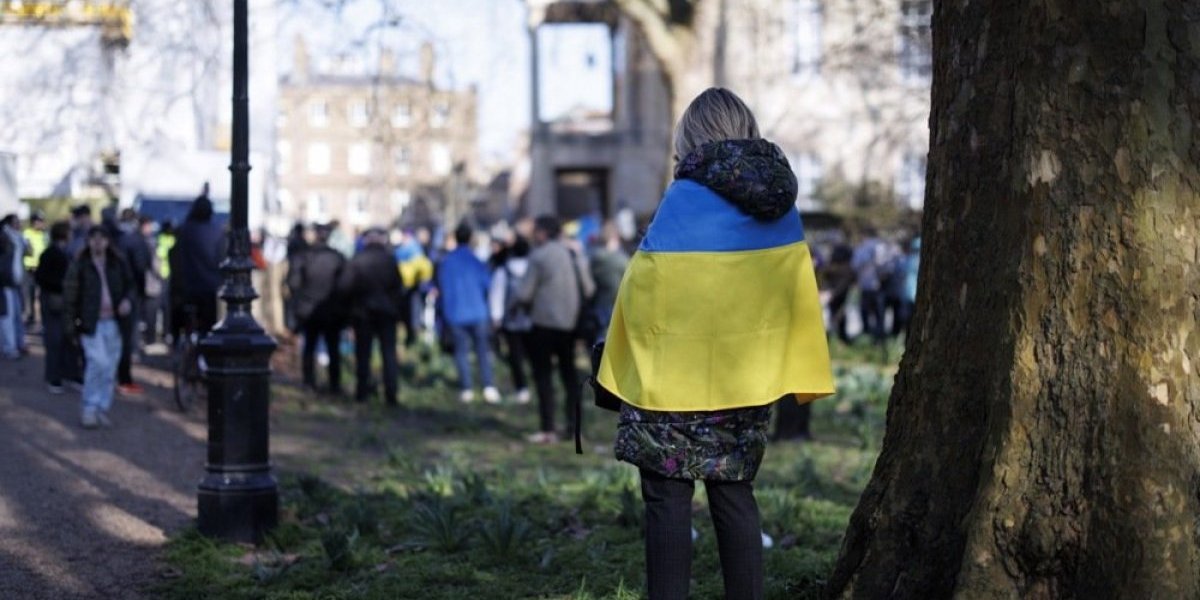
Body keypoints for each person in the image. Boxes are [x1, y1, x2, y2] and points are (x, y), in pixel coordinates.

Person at [595, 88, 835, 600]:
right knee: (734, 491)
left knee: (666, 496)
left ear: (690, 136)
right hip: (747, 375)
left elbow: (643, 291)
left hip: (669, 381)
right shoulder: (782, 204)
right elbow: (793, 290)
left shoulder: (683, 198)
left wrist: (616, 360)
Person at [517, 214, 595, 444]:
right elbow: (589, 289)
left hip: (542, 324)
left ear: (542, 232)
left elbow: (524, 294)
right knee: (569, 377)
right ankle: (573, 425)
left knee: (543, 377)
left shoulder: (539, 256)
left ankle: (547, 428)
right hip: (570, 325)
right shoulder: (574, 254)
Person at [64, 226, 134, 429]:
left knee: (109, 366)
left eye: (101, 238)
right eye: (93, 238)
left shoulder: (117, 263)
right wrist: (71, 327)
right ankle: (89, 407)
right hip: (90, 323)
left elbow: (130, 286)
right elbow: (70, 297)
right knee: (98, 363)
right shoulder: (80, 265)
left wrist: (127, 301)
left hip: (113, 322)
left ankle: (101, 407)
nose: (97, 242)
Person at [338, 228, 403, 406]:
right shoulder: (390, 260)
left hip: (363, 313)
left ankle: (362, 393)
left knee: (363, 354)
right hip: (386, 313)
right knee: (388, 354)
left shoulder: (357, 260)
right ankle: (391, 394)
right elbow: (399, 288)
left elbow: (344, 288)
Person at [436, 223, 499, 403]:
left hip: (455, 313)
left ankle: (467, 388)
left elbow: (442, 288)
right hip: (478, 312)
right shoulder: (477, 261)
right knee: (482, 351)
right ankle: (489, 386)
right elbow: (488, 286)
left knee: (461, 352)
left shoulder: (447, 262)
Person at [287, 223, 347, 395]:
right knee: (333, 348)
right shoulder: (337, 258)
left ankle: (308, 382)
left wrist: (302, 298)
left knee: (310, 347)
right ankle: (334, 384)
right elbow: (345, 285)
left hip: (309, 309)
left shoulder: (305, 256)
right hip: (331, 310)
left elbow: (293, 283)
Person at [171, 190, 224, 339]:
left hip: (188, 287)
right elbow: (220, 258)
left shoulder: (186, 230)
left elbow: (176, 256)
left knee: (188, 325)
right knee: (207, 328)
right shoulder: (216, 231)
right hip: (209, 287)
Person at [488, 235, 533, 404]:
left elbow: (496, 295)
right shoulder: (533, 268)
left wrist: (496, 317)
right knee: (533, 354)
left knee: (515, 356)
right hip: (531, 320)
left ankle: (522, 388)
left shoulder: (503, 271)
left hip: (511, 320)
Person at [35, 221, 72, 393]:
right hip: (53, 301)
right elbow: (42, 277)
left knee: (61, 339)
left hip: (55, 300)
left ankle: (60, 375)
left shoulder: (56, 253)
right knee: (55, 339)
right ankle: (54, 378)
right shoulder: (54, 254)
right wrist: (60, 286)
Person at [587, 222, 629, 340]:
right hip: (617, 305)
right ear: (615, 238)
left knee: (601, 336)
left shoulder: (592, 258)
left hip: (599, 304)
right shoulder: (620, 260)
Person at [1, 214, 28, 358]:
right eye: (16, 222)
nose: (19, 224)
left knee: (17, 315)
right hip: (6, 284)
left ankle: (18, 343)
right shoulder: (4, 237)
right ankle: (9, 347)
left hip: (15, 283)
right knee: (7, 317)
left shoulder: (18, 238)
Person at [22, 212, 47, 327]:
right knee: (29, 294)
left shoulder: (44, 235)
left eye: (42, 221)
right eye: (38, 221)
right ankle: (30, 316)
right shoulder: (27, 233)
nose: (40, 223)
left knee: (42, 295)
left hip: (41, 268)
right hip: (29, 269)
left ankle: (42, 319)